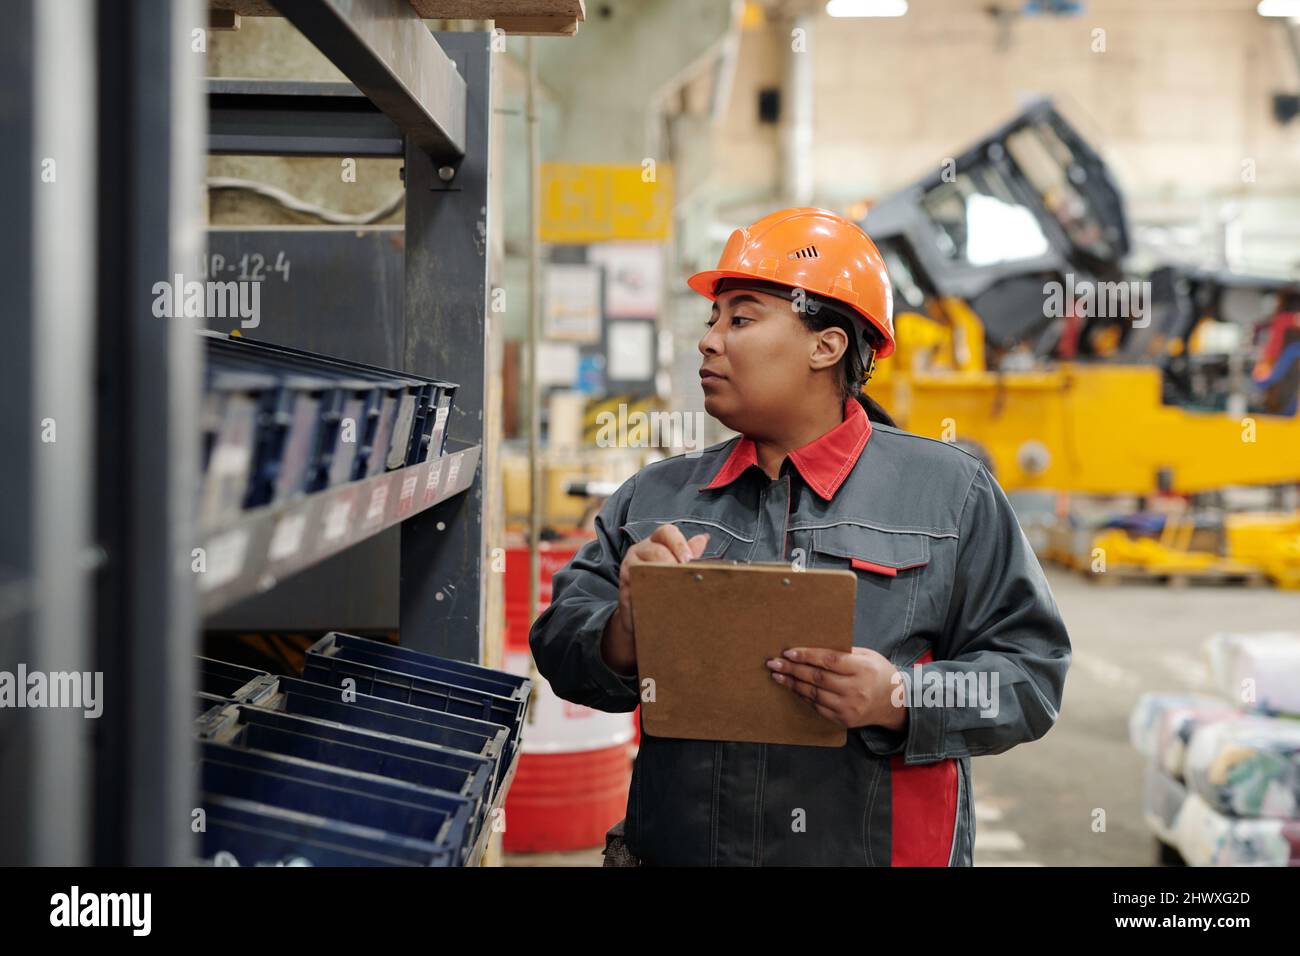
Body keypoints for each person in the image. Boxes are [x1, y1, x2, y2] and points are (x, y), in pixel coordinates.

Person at [529, 207, 1071, 866]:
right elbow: (559, 643)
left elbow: (1030, 676)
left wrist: (900, 697)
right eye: (712, 320)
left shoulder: (950, 495)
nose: (709, 341)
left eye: (742, 318)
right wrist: (625, 628)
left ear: (827, 345)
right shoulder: (656, 500)